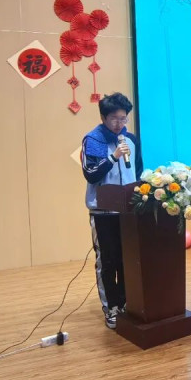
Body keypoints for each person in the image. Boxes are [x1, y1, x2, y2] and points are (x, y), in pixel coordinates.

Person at [81, 92, 142, 329]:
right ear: (104, 117)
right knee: (108, 261)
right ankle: (111, 308)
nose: (120, 124)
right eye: (115, 119)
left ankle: (126, 302)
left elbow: (138, 171)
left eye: (123, 118)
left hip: (127, 211)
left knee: (127, 259)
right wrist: (114, 157)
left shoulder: (131, 140)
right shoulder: (93, 140)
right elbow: (91, 174)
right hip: (103, 211)